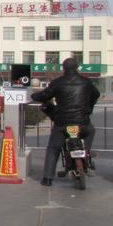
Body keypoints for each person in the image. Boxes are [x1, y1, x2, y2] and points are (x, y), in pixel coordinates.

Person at [31, 57, 100, 186]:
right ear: (77, 67)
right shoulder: (86, 82)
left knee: (53, 148)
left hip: (62, 124)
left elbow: (44, 96)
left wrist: (33, 95)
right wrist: (88, 107)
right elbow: (96, 95)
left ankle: (47, 178)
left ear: (63, 68)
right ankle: (86, 154)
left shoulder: (58, 82)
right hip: (83, 123)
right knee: (91, 131)